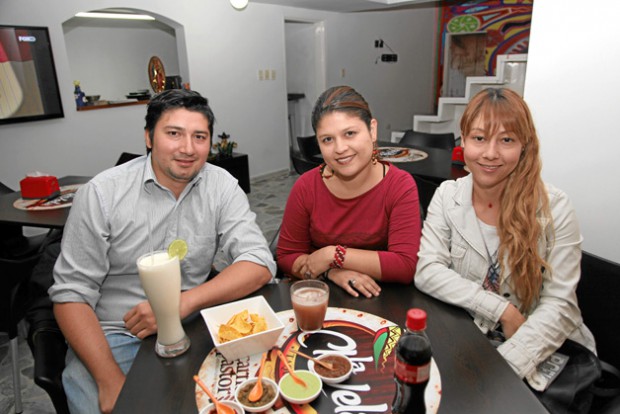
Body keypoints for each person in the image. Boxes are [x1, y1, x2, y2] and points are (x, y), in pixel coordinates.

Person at [49, 89, 275, 414]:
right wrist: (109, 380)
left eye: (199, 136)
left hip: (192, 322)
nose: (188, 148)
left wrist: (181, 305)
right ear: (149, 137)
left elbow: (259, 262)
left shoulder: (221, 186)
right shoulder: (101, 194)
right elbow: (70, 295)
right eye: (174, 134)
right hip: (115, 335)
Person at [415, 88, 596, 391]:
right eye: (479, 138)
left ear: (524, 145)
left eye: (507, 140)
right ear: (463, 141)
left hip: (539, 353)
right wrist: (501, 310)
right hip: (473, 342)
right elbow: (428, 270)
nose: (490, 153)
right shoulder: (448, 196)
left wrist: (501, 367)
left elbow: (560, 306)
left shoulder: (555, 207)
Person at [277, 85, 421, 298]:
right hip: (323, 298)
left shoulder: (399, 186)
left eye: (350, 133)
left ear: (372, 130)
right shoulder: (306, 186)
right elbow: (287, 256)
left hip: (384, 299)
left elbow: (405, 265)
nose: (340, 148)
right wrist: (330, 272)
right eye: (327, 139)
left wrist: (333, 255)